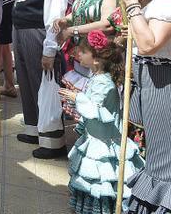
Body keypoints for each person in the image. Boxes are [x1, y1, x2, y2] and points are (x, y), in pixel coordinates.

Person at [1, 0, 70, 159]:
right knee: (27, 80)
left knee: (43, 83)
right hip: (20, 33)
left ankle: (52, 141)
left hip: (39, 35)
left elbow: (55, 18)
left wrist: (50, 50)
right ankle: (33, 128)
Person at [59, 31, 143, 214]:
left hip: (104, 143)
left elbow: (95, 110)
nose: (77, 54)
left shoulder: (103, 83)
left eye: (82, 51)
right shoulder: (97, 78)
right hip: (95, 137)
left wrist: (77, 96)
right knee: (91, 179)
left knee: (100, 179)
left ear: (96, 59)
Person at [120, 0, 171, 214]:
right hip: (156, 81)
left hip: (164, 84)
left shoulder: (169, 0)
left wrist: (131, 4)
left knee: (163, 163)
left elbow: (150, 43)